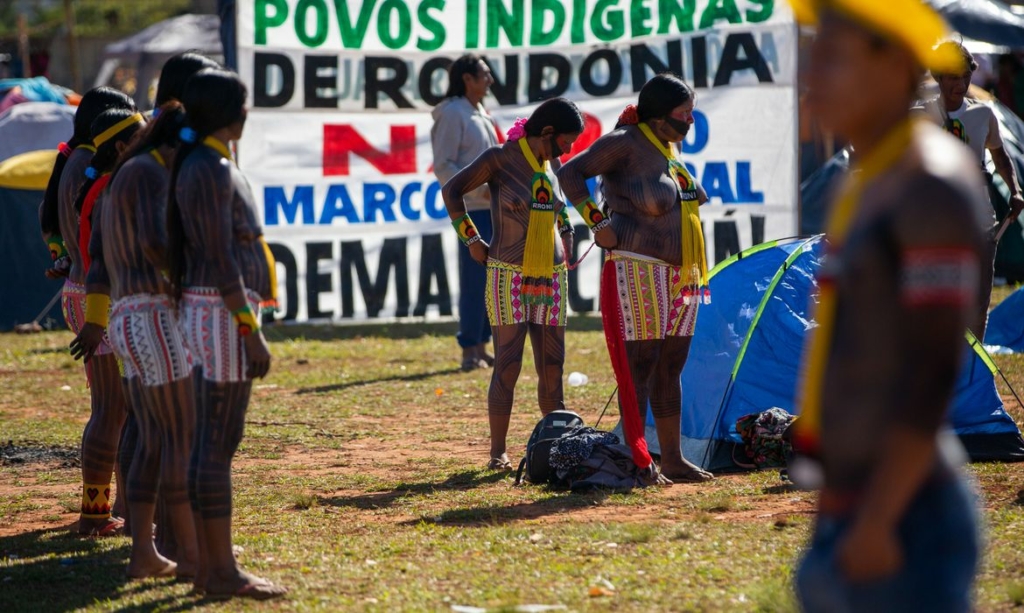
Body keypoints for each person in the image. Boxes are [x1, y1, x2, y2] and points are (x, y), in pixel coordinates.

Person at [788, 1, 985, 611]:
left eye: (832, 56)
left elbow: (932, 368)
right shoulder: (870, 178)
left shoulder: (929, 184)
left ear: (895, 63)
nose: (812, 75)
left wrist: (878, 521)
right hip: (855, 509)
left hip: (904, 521)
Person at [558, 74, 714, 484]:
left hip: (683, 273)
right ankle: (638, 460)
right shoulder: (624, 143)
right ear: (661, 116)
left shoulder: (667, 149)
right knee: (641, 365)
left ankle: (674, 459)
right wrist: (597, 221)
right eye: (684, 114)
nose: (690, 120)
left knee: (671, 365)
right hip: (637, 265)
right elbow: (571, 174)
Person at [166, 68, 285, 600]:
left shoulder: (202, 163)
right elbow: (217, 254)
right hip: (220, 313)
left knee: (212, 444)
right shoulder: (210, 168)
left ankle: (208, 564)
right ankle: (219, 571)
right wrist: (248, 328)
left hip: (209, 310)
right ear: (232, 113)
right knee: (216, 445)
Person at [442, 97, 582, 470]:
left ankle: (556, 446)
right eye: (565, 143)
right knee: (508, 363)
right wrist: (471, 239)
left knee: (553, 364)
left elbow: (560, 208)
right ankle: (498, 451)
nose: (567, 150)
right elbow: (452, 191)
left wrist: (567, 237)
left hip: (552, 276)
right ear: (547, 133)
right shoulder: (499, 160)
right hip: (508, 275)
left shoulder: (550, 165)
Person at [40, 86, 136, 536]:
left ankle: (114, 505)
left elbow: (52, 221)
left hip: (78, 290)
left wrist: (62, 257)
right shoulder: (97, 169)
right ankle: (98, 515)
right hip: (99, 298)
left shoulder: (70, 162)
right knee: (114, 411)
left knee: (111, 409)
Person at [914, 40, 1024, 338]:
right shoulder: (920, 117)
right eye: (952, 76)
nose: (961, 84)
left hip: (979, 222)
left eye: (966, 76)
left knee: (977, 303)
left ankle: (974, 374)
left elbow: (1000, 156)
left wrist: (1015, 189)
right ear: (938, 77)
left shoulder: (983, 115)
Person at [431, 54, 503, 372]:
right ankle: (468, 348)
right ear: (467, 79)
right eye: (484, 74)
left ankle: (482, 344)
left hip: (493, 208)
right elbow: (445, 166)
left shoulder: (480, 113)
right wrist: (476, 191)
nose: (490, 79)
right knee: (474, 277)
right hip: (470, 209)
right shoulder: (452, 113)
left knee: (492, 278)